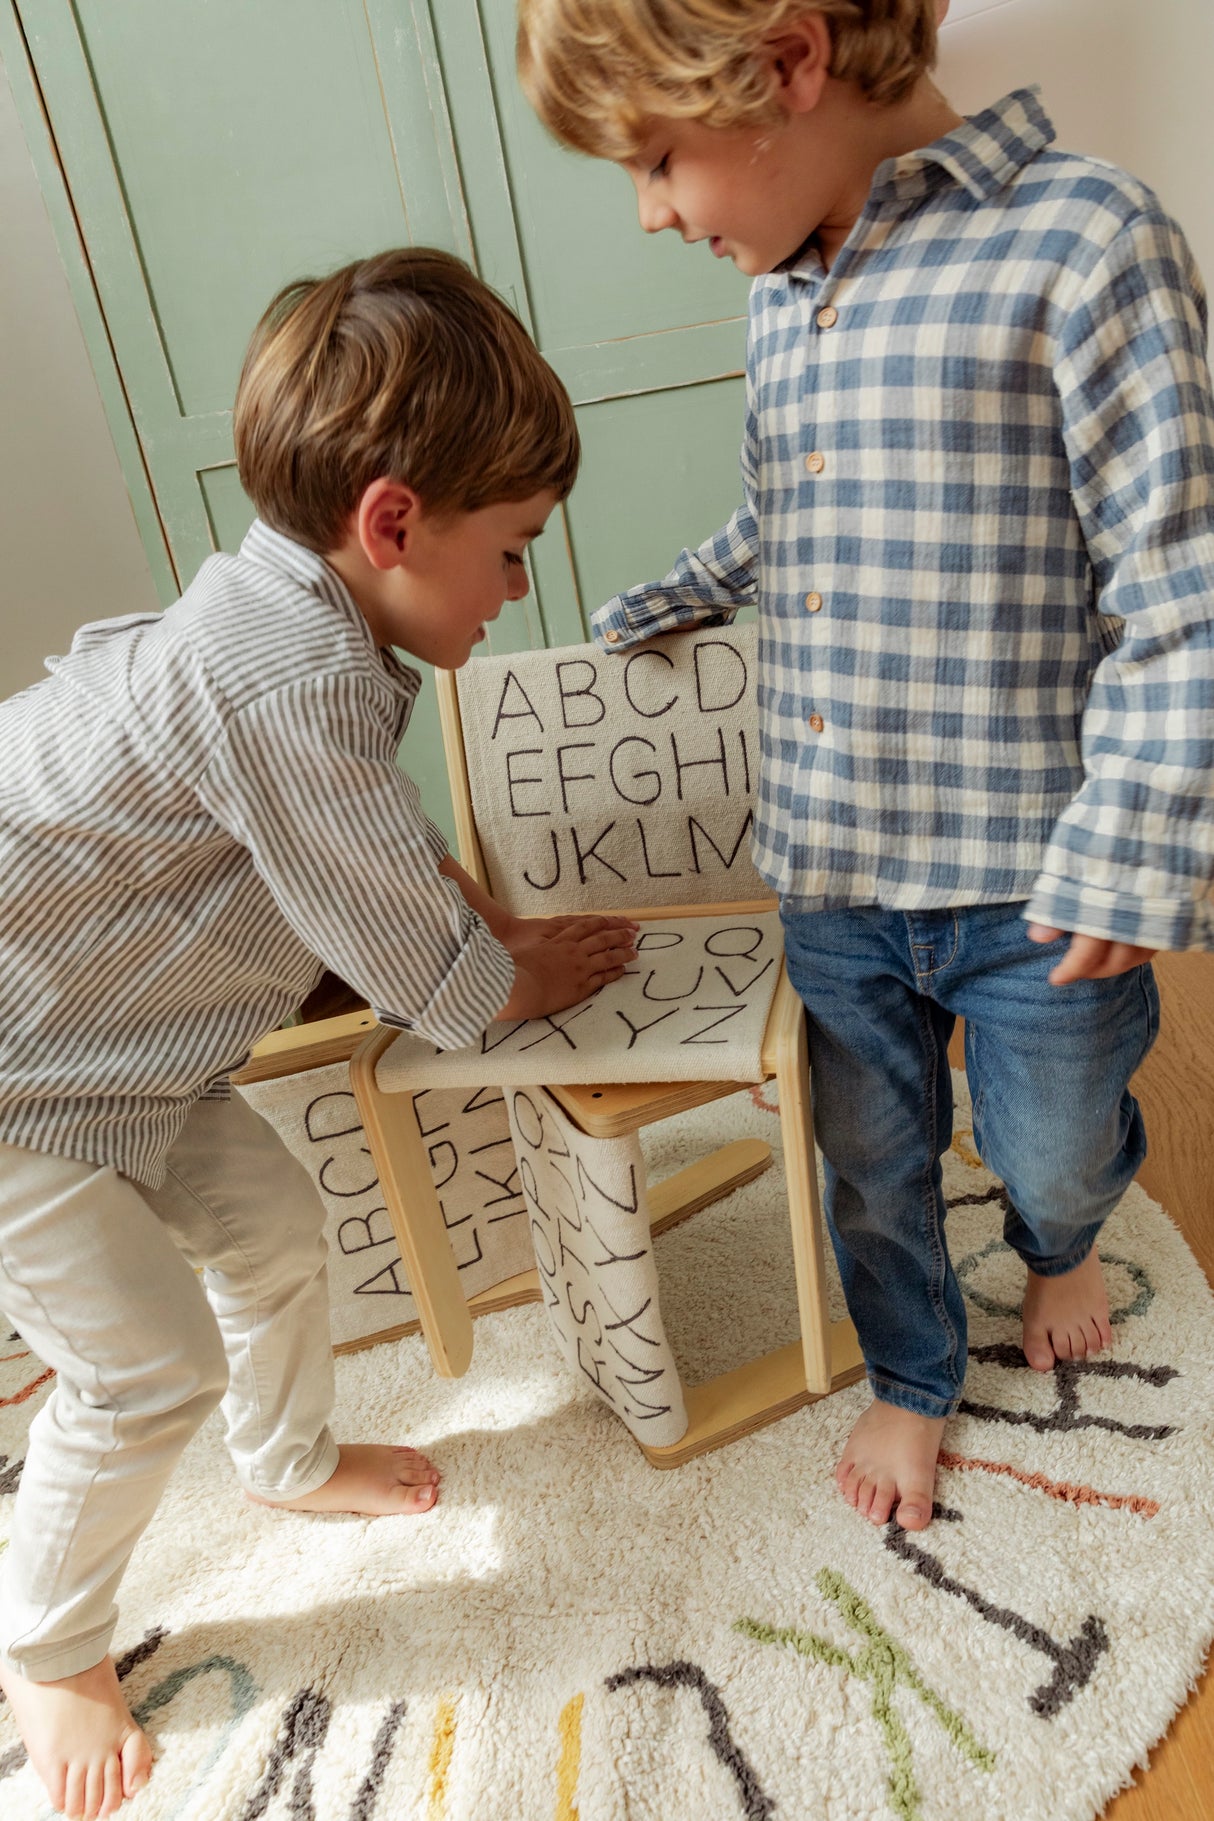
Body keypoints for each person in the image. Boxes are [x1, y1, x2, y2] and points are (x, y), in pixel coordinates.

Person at [517, 0, 1214, 1535]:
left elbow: (1182, 589)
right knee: (869, 1159)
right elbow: (796, 518)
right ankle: (912, 1366)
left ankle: (1061, 1235)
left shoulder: (1089, 242)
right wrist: (685, 588)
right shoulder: (783, 288)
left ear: (784, 63)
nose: (650, 211)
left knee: (1051, 1140)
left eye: (655, 158)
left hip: (1034, 871)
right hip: (832, 861)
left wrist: (1136, 838)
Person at [0, 245, 637, 1820]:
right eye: (511, 551)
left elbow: (363, 825)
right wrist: (507, 976)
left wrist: (470, 911)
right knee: (138, 1365)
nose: (519, 588)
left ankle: (283, 1457)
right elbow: (404, 953)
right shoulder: (281, 665)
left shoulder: (310, 624)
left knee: (278, 1226)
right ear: (393, 523)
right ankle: (47, 1643)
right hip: (18, 1084)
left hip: (123, 1061)